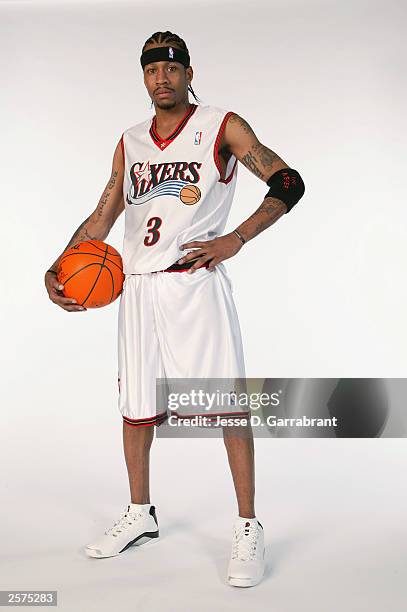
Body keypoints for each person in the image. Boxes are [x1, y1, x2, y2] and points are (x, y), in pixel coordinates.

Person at [44, 30, 305, 588]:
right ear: (143, 77)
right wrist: (60, 265)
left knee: (226, 404)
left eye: (172, 68)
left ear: (188, 72)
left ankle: (247, 526)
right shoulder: (129, 141)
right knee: (136, 405)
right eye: (151, 70)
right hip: (136, 287)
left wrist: (235, 238)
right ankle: (140, 512)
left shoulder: (222, 125)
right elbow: (102, 215)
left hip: (194, 283)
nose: (161, 78)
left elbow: (288, 180)